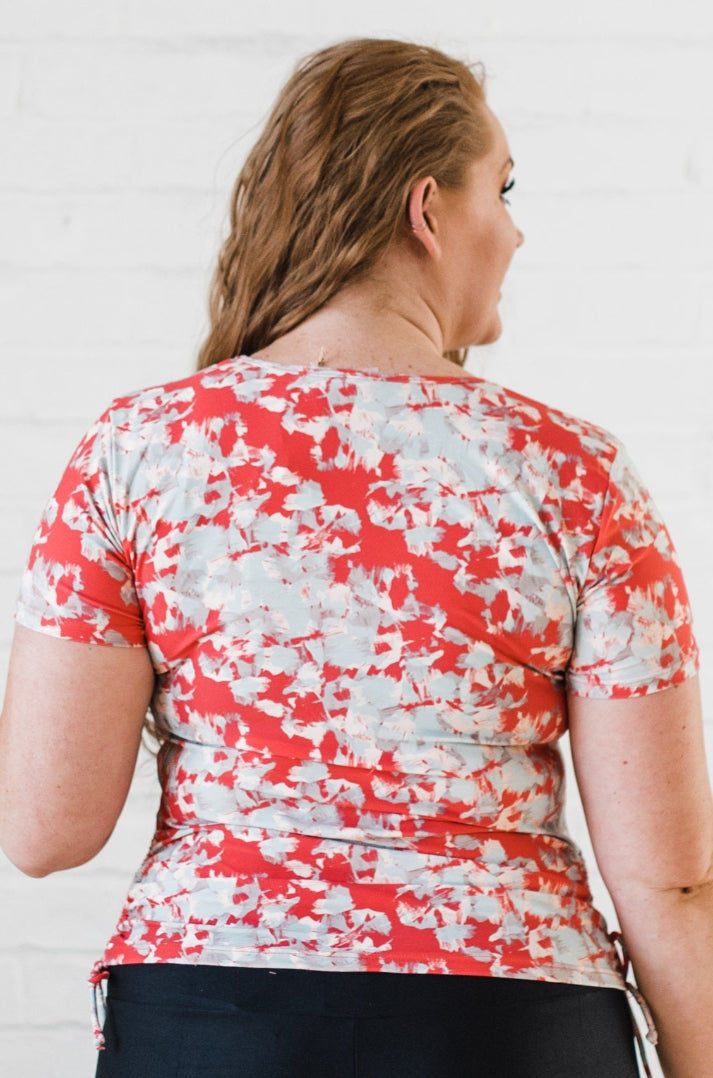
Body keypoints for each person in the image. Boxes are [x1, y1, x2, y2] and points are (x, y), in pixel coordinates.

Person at [0, 35, 710, 1078]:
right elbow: (667, 880)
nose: (513, 231)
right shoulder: (573, 473)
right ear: (427, 212)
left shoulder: (138, 451)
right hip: (509, 1021)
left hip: (212, 1016)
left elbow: (43, 827)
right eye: (501, 190)